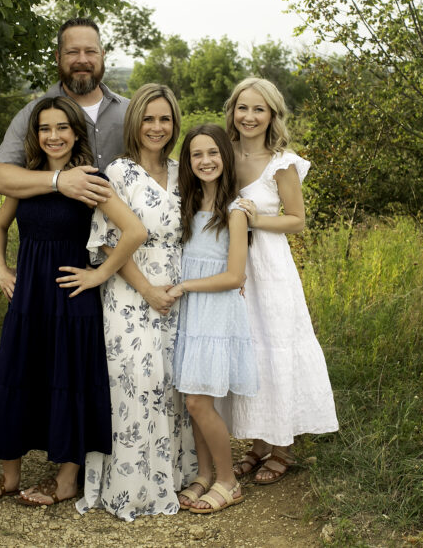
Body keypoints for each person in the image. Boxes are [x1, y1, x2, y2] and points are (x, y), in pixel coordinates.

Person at [0, 96, 147, 507]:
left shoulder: (90, 179)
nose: (54, 136)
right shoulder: (25, 179)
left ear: (75, 133)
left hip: (72, 300)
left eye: (62, 128)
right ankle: (9, 476)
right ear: (36, 135)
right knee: (17, 375)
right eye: (45, 128)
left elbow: (133, 231)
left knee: (69, 381)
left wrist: (99, 275)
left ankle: (67, 480)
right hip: (28, 296)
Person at [76, 84, 197, 521]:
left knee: (171, 387)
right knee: (134, 386)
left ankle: (172, 478)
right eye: (148, 118)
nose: (157, 127)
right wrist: (146, 290)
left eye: (165, 119)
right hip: (130, 294)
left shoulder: (185, 173)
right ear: (134, 123)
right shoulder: (118, 174)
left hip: (179, 295)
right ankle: (128, 488)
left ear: (175, 124)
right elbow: (107, 243)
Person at [218, 77, 339, 486]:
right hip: (232, 267)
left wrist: (256, 220)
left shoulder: (282, 161)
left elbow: (298, 220)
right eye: (243, 108)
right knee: (249, 352)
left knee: (276, 349)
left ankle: (282, 448)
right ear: (233, 111)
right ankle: (255, 445)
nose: (249, 116)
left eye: (259, 109)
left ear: (271, 115)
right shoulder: (223, 153)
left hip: (269, 268)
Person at [165, 124, 256, 514]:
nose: (205, 161)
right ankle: (203, 475)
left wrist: (184, 287)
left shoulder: (234, 211)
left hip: (215, 313)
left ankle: (228, 480)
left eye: (213, 153)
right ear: (187, 161)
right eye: (196, 154)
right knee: (193, 400)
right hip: (192, 316)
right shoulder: (186, 204)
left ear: (225, 156)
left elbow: (235, 276)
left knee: (200, 402)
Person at [0, 17, 128, 207]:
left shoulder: (131, 111)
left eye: (90, 51)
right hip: (60, 233)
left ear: (102, 54)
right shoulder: (34, 113)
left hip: (126, 233)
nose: (82, 59)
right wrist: (58, 180)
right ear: (58, 56)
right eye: (72, 52)